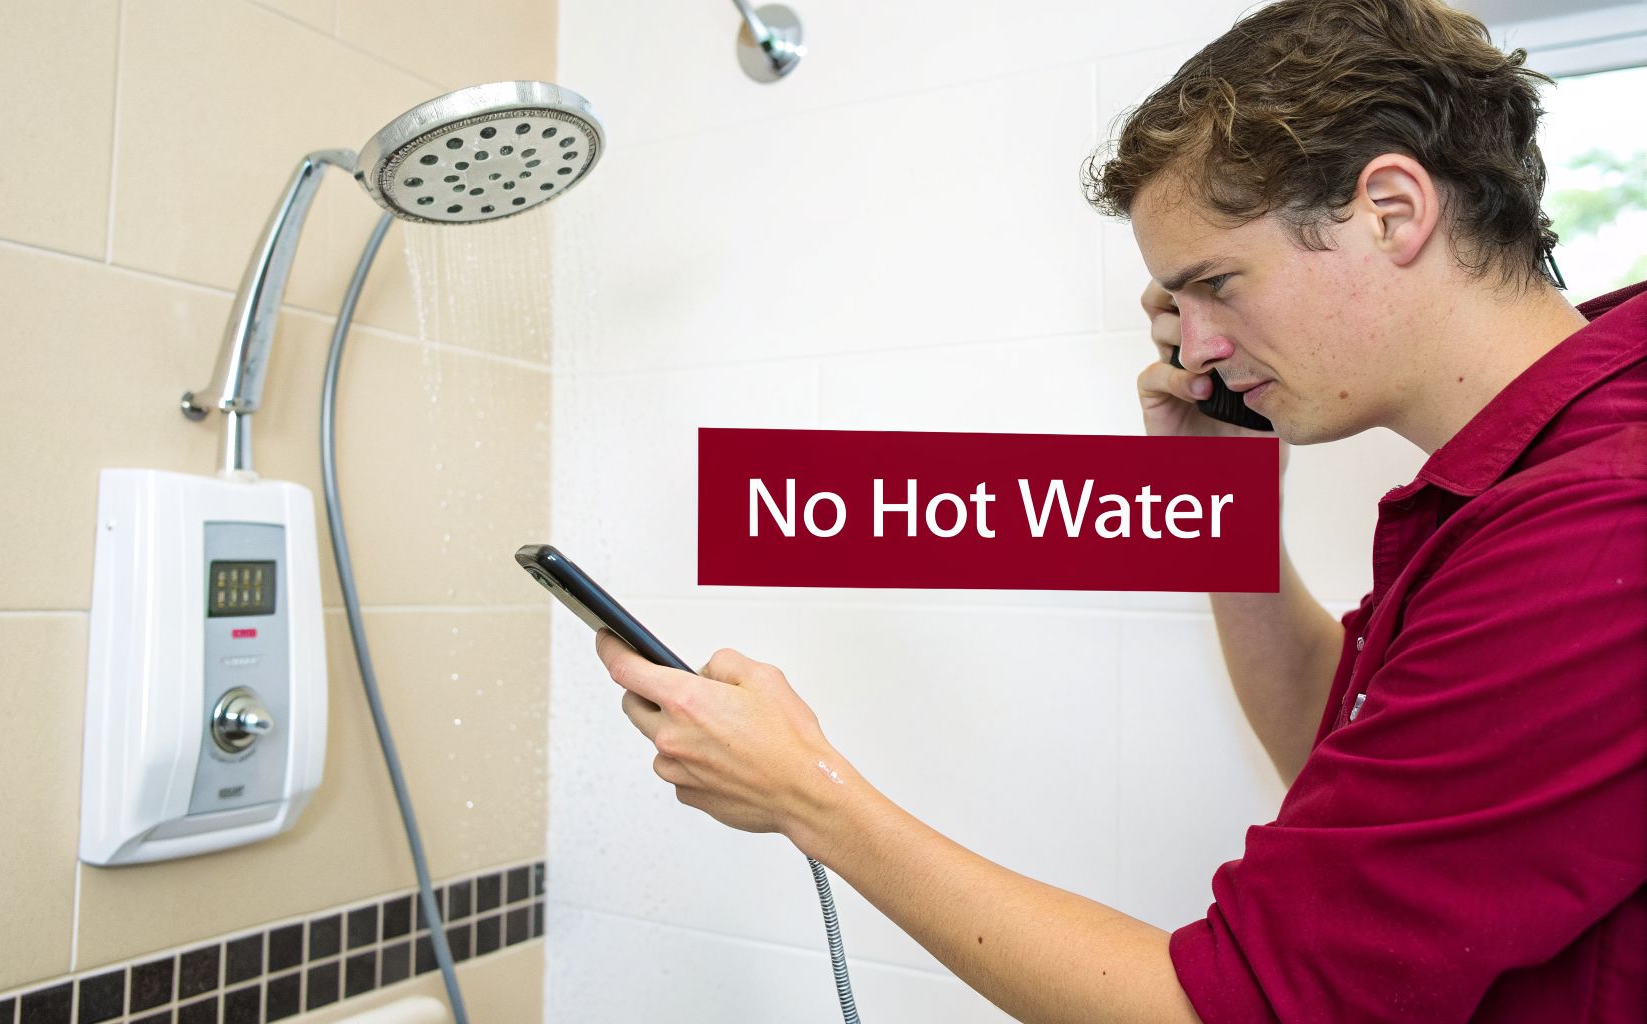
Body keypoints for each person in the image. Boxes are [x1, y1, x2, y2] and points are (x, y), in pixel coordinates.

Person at [593, 0, 1647, 1019]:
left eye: (1216, 284)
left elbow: (1241, 1010)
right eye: (1172, 310)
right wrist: (1217, 503)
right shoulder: (1514, 483)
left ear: (1389, 211)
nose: (1191, 349)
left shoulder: (1593, 524)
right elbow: (1338, 759)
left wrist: (810, 797)